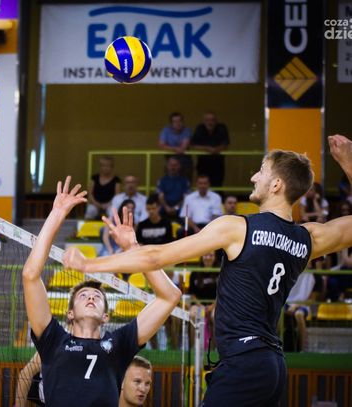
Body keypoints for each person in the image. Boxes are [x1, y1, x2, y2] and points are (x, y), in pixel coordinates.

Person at [64, 134, 352, 406]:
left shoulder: (238, 228)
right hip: (273, 365)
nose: (253, 177)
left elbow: (156, 257)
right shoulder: (308, 238)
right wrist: (349, 163)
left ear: (276, 185)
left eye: (261, 171)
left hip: (243, 360)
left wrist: (90, 265)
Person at [23, 176, 181, 407]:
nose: (91, 296)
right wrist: (57, 213)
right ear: (69, 314)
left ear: (106, 316)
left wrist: (133, 248)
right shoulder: (53, 340)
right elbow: (30, 275)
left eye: (97, 296)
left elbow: (170, 296)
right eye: (83, 296)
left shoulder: (120, 343)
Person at [190, 112, 230, 187]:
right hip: (203, 163)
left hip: (218, 163)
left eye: (212, 120)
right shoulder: (200, 128)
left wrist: (216, 149)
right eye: (207, 120)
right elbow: (193, 145)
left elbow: (226, 144)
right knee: (202, 185)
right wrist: (207, 149)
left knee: (217, 185)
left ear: (216, 121)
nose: (210, 122)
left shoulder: (221, 128)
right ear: (203, 121)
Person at [158, 112, 192, 178]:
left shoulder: (187, 130)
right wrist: (175, 149)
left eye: (180, 121)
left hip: (185, 161)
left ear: (183, 122)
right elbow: (161, 145)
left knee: (186, 181)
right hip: (170, 160)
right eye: (175, 121)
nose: (178, 123)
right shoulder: (166, 130)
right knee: (169, 180)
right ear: (171, 124)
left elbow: (183, 147)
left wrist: (169, 148)